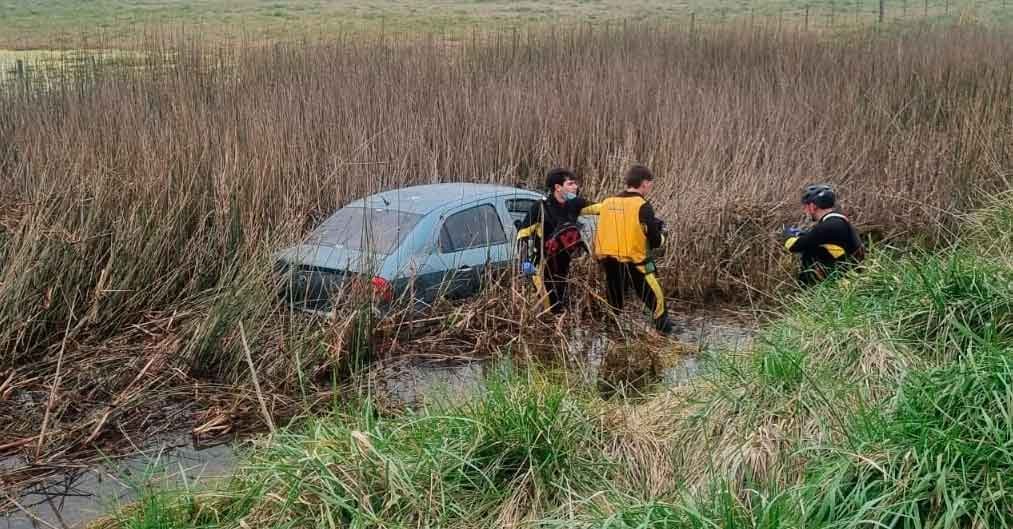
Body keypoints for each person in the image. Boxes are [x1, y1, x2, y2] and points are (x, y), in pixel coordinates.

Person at [593, 165, 674, 335]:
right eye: (650, 185)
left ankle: (610, 341)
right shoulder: (642, 206)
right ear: (644, 184)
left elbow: (589, 210)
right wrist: (663, 235)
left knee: (614, 307)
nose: (650, 188)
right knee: (658, 305)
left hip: (609, 263)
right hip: (636, 265)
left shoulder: (607, 203)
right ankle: (667, 342)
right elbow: (655, 240)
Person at [516, 168, 600, 314]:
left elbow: (601, 208)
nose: (576, 187)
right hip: (541, 267)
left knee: (559, 303)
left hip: (562, 265)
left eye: (575, 184)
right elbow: (522, 235)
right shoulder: (540, 208)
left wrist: (622, 204)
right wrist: (525, 262)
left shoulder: (574, 204)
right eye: (571, 184)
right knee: (548, 308)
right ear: (558, 187)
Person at [783, 184, 865, 286]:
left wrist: (787, 233)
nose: (805, 211)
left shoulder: (828, 226)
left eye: (805, 207)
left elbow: (793, 246)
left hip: (836, 288)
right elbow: (818, 239)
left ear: (813, 206)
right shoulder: (839, 221)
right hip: (848, 281)